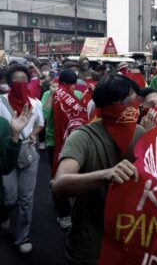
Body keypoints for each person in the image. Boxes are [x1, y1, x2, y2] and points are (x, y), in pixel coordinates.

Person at [51, 74, 145, 265]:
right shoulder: (82, 137)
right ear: (110, 105)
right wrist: (106, 174)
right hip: (92, 245)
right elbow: (59, 184)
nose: (136, 106)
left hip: (131, 238)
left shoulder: (140, 132)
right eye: (130, 101)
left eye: (137, 100)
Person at [0, 64, 44, 253]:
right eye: (16, 80)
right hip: (6, 151)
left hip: (28, 151)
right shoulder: (1, 102)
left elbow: (40, 124)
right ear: (9, 83)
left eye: (24, 80)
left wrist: (33, 133)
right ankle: (4, 212)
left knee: (26, 199)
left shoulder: (36, 103)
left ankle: (21, 237)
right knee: (9, 198)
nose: (20, 83)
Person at [41, 69, 85, 229]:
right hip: (54, 141)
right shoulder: (49, 94)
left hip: (74, 140)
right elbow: (44, 116)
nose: (72, 88)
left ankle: (67, 201)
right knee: (57, 174)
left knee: (73, 174)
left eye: (74, 84)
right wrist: (52, 96)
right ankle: (64, 212)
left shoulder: (78, 96)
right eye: (69, 85)